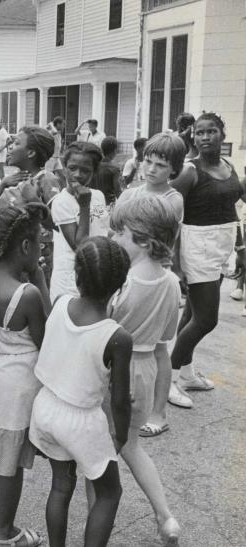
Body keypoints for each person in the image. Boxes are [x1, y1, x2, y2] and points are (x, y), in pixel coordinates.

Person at [29, 236, 133, 547]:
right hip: (82, 422)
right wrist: (121, 435)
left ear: (77, 276)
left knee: (61, 485)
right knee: (109, 492)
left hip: (46, 408)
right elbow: (119, 400)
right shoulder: (117, 336)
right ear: (120, 285)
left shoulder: (60, 302)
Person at [0, 203, 51, 547]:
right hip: (16, 387)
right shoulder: (27, 294)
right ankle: (5, 531)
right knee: (12, 464)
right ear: (24, 247)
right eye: (38, 244)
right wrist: (40, 278)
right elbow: (45, 340)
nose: (41, 249)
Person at [108, 196, 182, 546]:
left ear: (141, 238)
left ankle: (100, 524)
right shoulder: (171, 284)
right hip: (146, 368)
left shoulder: (122, 282)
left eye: (119, 232)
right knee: (132, 445)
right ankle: (165, 516)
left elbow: (103, 330)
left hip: (114, 373)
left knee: (103, 451)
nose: (113, 238)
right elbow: (165, 339)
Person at [169, 113, 246, 408]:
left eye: (211, 131)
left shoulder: (228, 166)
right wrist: (175, 262)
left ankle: (185, 373)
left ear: (222, 134)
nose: (204, 137)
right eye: (199, 133)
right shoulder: (190, 171)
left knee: (190, 315)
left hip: (221, 244)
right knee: (206, 319)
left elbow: (231, 208)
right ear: (193, 137)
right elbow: (172, 213)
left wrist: (239, 246)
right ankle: (170, 381)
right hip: (197, 246)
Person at [0, 126, 61, 285]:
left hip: (37, 258)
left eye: (16, 143)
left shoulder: (46, 179)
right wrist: (2, 185)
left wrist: (33, 199)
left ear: (30, 153)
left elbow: (57, 224)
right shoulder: (13, 180)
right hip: (11, 256)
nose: (11, 147)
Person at [50, 142, 109, 302]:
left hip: (97, 271)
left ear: (94, 171)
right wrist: (84, 206)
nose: (77, 175)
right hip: (71, 278)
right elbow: (80, 246)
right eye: (72, 168)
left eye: (85, 170)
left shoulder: (98, 196)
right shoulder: (62, 202)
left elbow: (102, 230)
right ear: (64, 166)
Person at [118, 133, 185, 225]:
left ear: (174, 169)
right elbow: (113, 229)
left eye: (160, 165)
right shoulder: (128, 195)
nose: (151, 169)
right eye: (148, 161)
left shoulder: (173, 200)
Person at [93, 136, 121, 206]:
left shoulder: (93, 165)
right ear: (115, 150)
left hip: (93, 203)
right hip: (108, 205)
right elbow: (117, 191)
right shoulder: (115, 168)